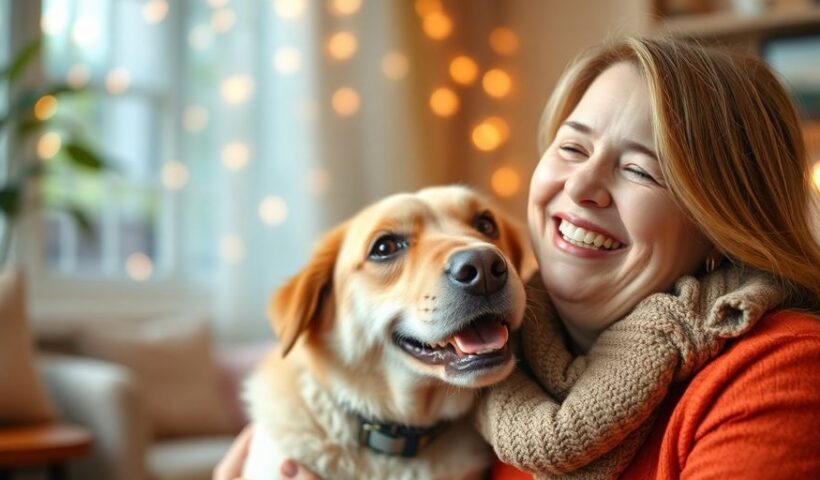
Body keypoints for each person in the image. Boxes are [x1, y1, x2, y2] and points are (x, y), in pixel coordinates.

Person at [214, 36, 820, 480]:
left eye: (639, 169)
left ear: (722, 225)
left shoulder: (780, 369)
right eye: (572, 146)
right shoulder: (488, 378)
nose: (581, 186)